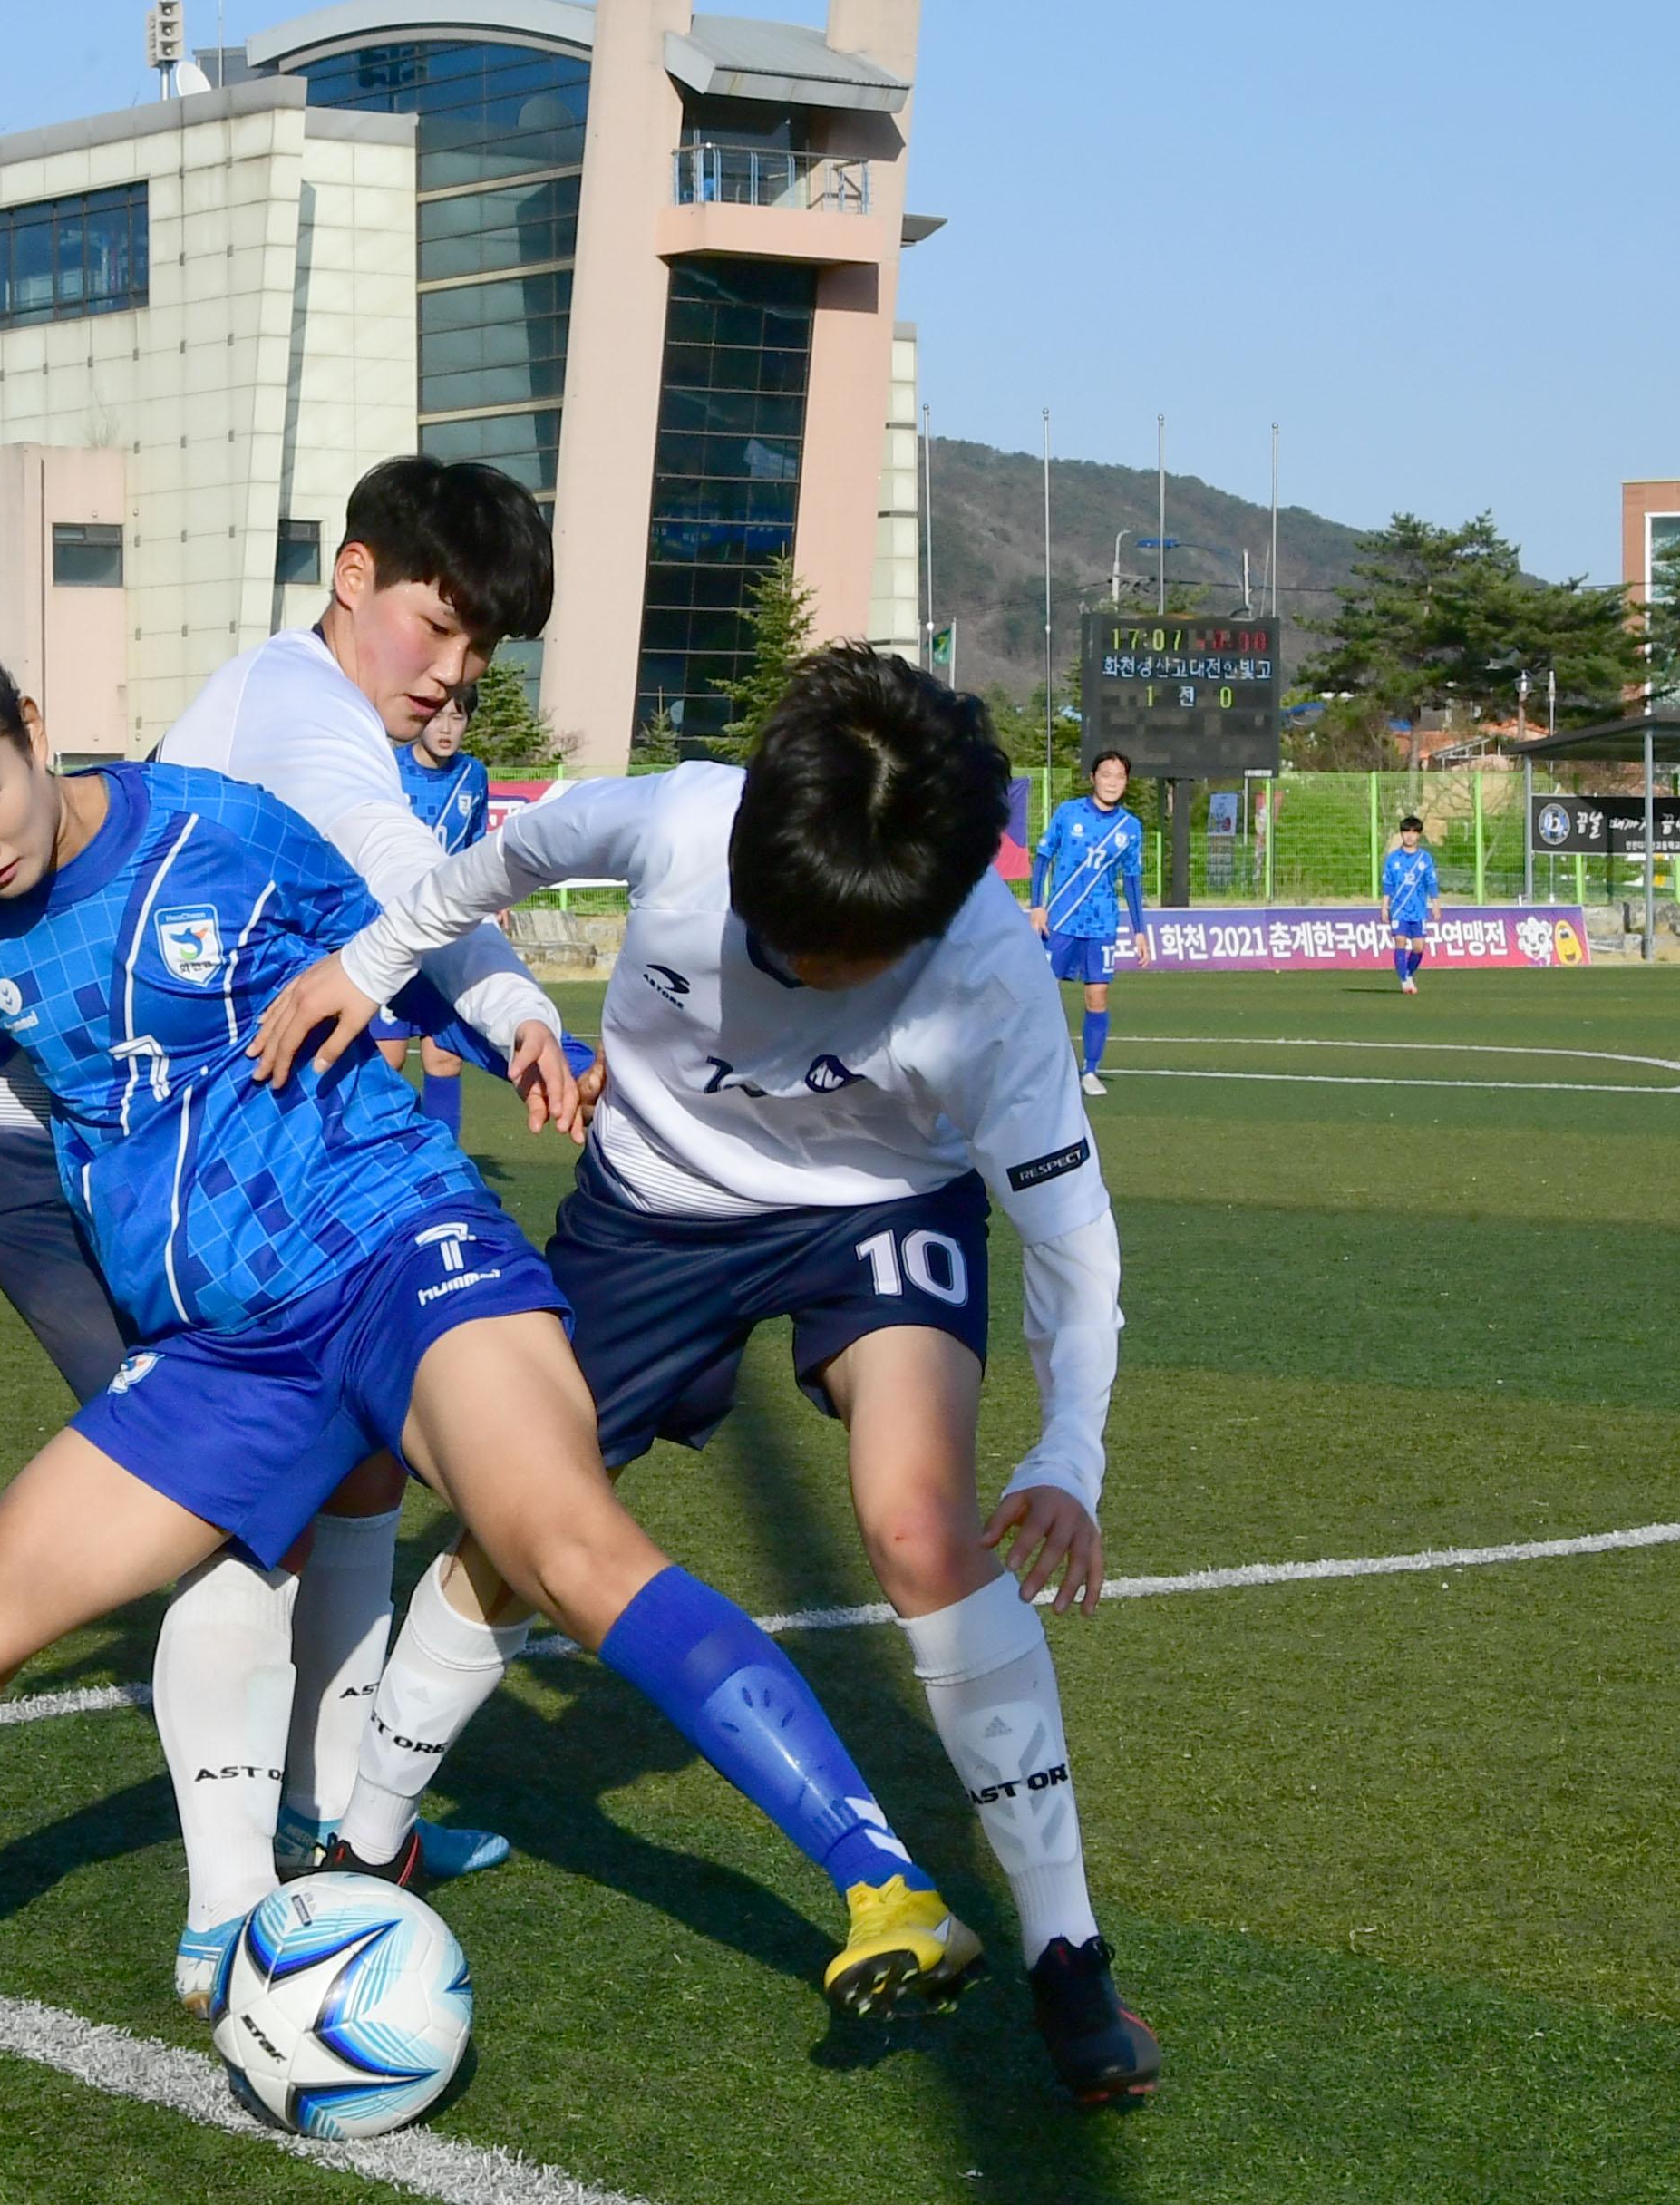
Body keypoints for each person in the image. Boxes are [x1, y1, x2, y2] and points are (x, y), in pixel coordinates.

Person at [0, 603, 976, 2058]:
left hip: (397, 1246)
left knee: (563, 1546)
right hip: (222, 1345)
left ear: (30, 728)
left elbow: (405, 935)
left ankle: (886, 1890)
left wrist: (517, 1029)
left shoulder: (215, 824)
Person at [251, 645, 1160, 2107]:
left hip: (876, 1210)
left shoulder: (988, 969)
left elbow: (1067, 1231)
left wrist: (1068, 1451)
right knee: (511, 1529)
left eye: (832, 959)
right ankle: (363, 1842)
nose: (786, 970)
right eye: (769, 927)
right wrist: (362, 970)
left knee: (920, 1523)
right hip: (650, 1205)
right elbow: (482, 867)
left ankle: (1065, 1948)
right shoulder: (675, 820)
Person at [137, 456, 574, 1965]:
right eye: (434, 627)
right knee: (237, 1508)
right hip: (115, 1157)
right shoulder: (296, 707)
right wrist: (513, 1001)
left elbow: (404, 908)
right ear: (350, 576)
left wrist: (509, 1015)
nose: (451, 673)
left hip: (240, 1139)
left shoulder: (344, 714)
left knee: (361, 1473)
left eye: (478, 651)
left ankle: (334, 1820)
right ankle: (221, 1913)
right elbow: (411, 876)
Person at [374, 682, 491, 1141]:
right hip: (389, 929)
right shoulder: (388, 771)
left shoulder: (473, 776)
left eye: (457, 717)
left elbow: (476, 848)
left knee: (445, 1056)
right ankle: (379, 1160)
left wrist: (487, 903)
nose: (446, 728)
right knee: (388, 1057)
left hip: (446, 935)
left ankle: (443, 1163)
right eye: (438, 716)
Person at [1030, 752, 1145, 1095]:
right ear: (1093, 777)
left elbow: (1133, 881)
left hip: (1102, 923)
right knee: (1042, 994)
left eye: (1119, 776)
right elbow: (1043, 858)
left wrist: (1140, 931)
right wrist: (1037, 906)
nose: (1112, 781)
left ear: (1126, 782)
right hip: (1061, 919)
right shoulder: (1068, 813)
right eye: (1106, 774)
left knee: (1097, 995)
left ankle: (1090, 1071)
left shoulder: (1130, 828)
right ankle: (1038, 1066)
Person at [1382, 814, 1440, 994]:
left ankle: (1408, 973)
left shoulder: (1425, 858)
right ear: (1401, 834)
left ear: (1419, 835)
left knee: (1419, 947)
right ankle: (1405, 980)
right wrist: (1384, 906)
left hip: (1419, 911)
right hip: (1399, 909)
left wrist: (1436, 903)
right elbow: (1388, 884)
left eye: (1414, 832)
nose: (1409, 835)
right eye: (1406, 831)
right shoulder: (1393, 859)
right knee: (1400, 941)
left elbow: (1431, 882)